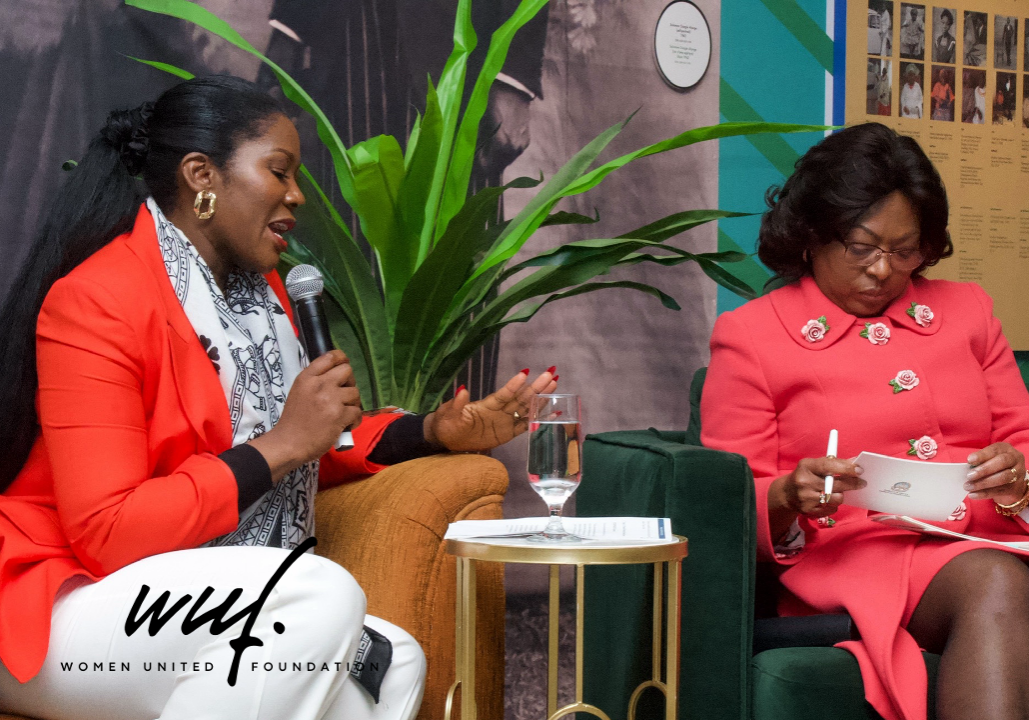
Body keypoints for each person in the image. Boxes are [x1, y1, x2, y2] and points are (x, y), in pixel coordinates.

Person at [0, 75, 557, 720]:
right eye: (279, 171)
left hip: (179, 608)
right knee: (319, 602)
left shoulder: (261, 302)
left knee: (396, 661)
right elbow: (108, 531)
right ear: (200, 176)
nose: (296, 195)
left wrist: (432, 431)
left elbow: (311, 445)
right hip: (62, 607)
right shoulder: (98, 300)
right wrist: (282, 444)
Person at [702, 122, 1029, 720]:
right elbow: (725, 501)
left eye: (906, 251)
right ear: (810, 236)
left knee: (995, 570)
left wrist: (1017, 471)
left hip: (988, 531)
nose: (884, 269)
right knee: (995, 582)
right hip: (855, 557)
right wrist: (787, 492)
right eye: (863, 246)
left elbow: (1022, 437)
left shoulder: (970, 311)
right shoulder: (750, 337)